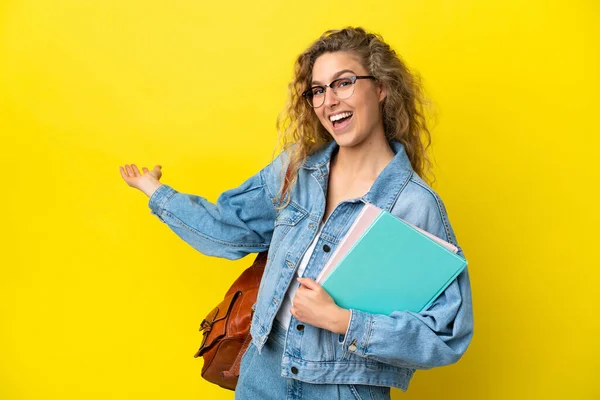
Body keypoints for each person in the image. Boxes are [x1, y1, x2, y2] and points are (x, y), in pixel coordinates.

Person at [119, 27, 473, 399]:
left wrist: (342, 320)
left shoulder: (414, 204)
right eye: (318, 90)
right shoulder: (296, 171)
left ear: (381, 87)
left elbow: (446, 332)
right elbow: (229, 228)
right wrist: (155, 192)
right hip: (263, 372)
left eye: (344, 83)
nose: (329, 100)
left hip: (342, 388)